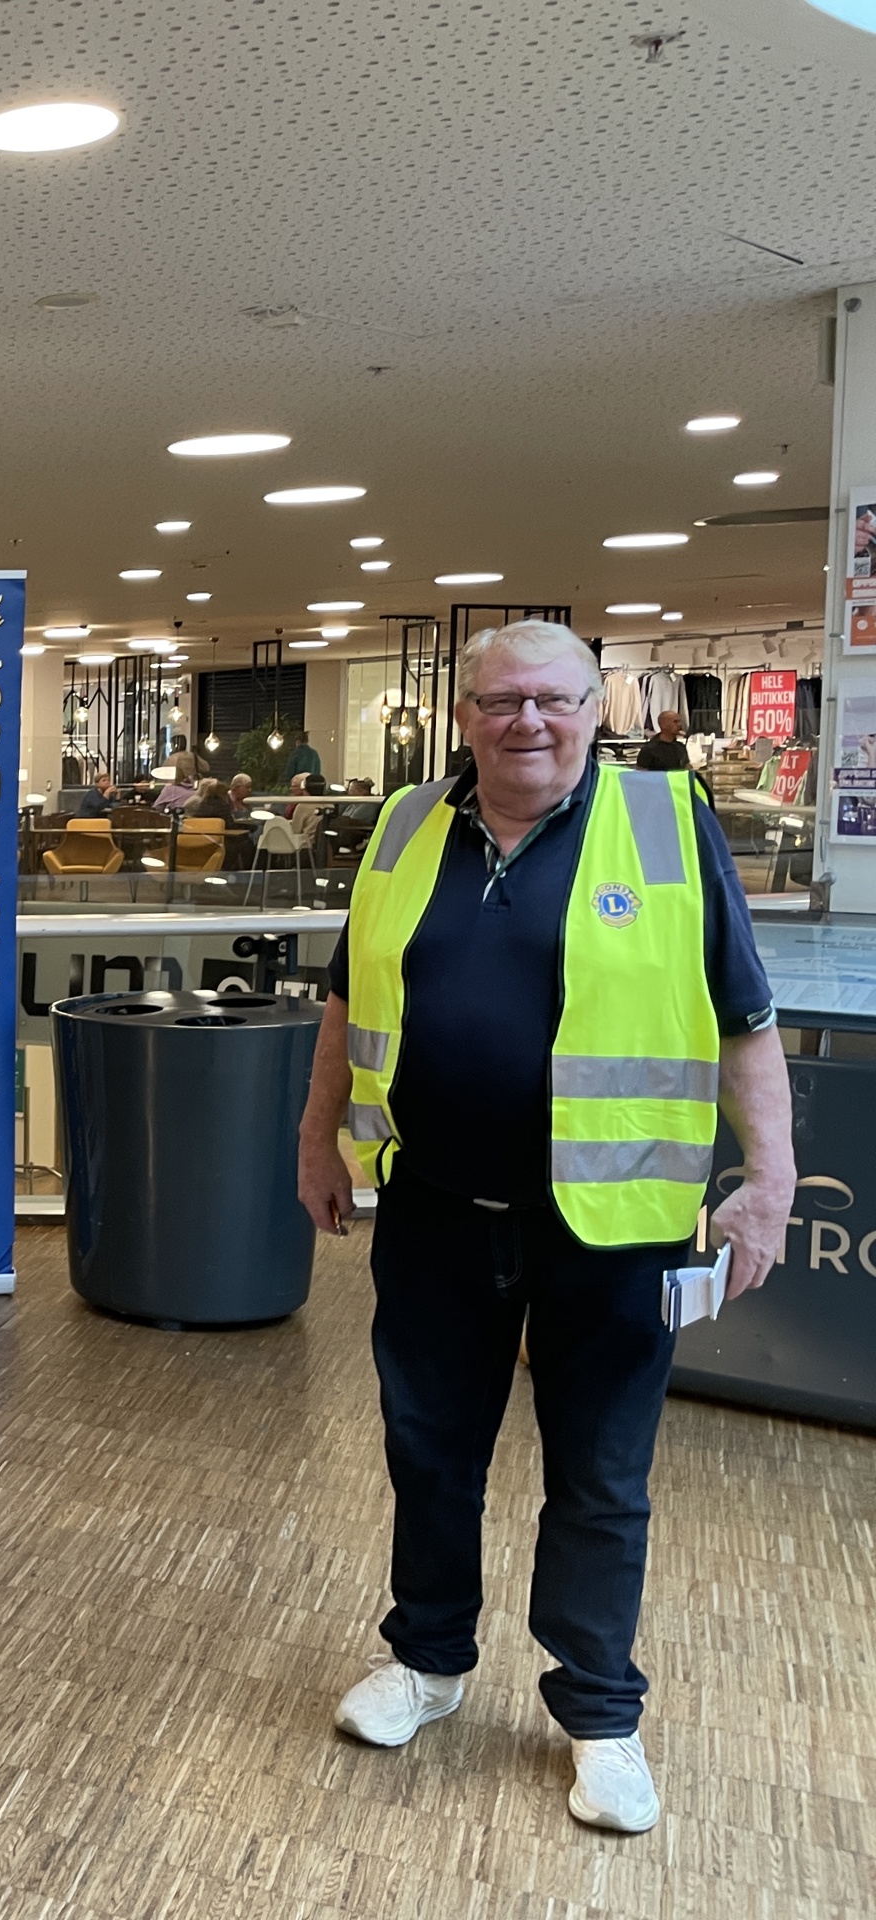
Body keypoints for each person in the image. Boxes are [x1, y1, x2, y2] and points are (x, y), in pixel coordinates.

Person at [296, 620, 790, 1834]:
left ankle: (599, 1713)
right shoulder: (404, 826)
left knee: (600, 1477)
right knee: (429, 1454)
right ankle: (427, 1662)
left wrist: (768, 1177)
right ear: (464, 714)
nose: (528, 721)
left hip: (614, 1225)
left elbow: (743, 1016)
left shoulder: (666, 824)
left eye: (554, 700)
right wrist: (315, 1138)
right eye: (502, 700)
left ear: (591, 712)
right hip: (434, 1210)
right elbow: (348, 997)